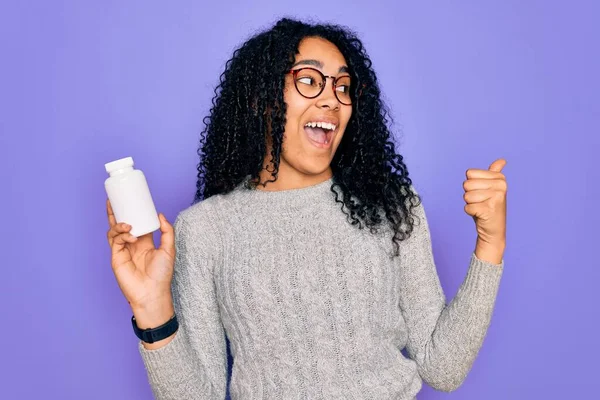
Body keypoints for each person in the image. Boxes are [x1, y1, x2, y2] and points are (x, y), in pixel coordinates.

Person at [106, 18, 507, 400]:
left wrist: (490, 243)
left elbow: (444, 368)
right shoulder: (206, 228)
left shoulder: (390, 205)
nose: (332, 99)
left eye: (344, 87)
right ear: (261, 98)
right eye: (310, 81)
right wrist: (151, 307)